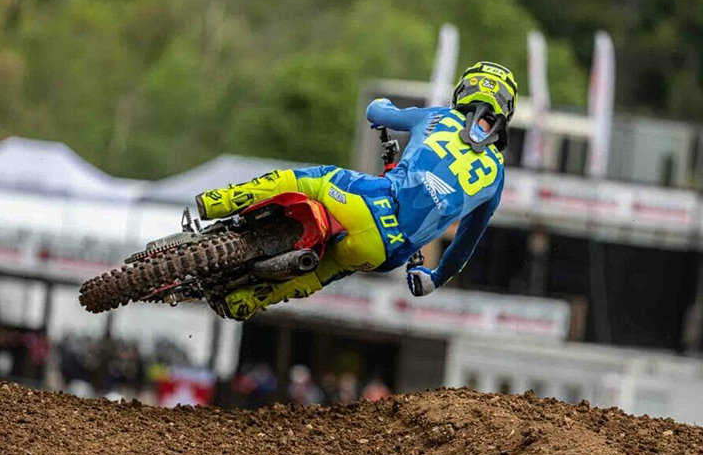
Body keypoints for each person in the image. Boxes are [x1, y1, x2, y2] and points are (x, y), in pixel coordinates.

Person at [196, 61, 518, 320]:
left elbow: (377, 113)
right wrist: (433, 280)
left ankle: (219, 201)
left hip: (367, 203)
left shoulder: (439, 117)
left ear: (464, 90)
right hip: (383, 254)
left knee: (313, 178)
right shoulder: (496, 177)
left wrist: (381, 104)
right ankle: (245, 300)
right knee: (327, 270)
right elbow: (464, 247)